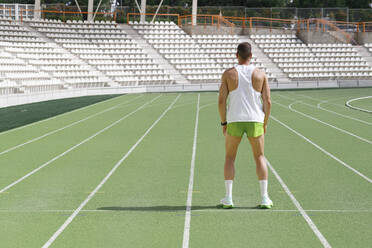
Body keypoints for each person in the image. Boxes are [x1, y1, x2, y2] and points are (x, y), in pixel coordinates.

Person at [217, 42, 273, 209]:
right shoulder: (260, 74)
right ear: (251, 56)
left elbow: (221, 101)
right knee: (259, 157)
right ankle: (264, 198)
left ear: (237, 55)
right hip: (255, 120)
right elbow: (268, 101)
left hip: (234, 119)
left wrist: (223, 122)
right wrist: (265, 122)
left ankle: (228, 198)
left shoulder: (228, 74)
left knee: (230, 157)